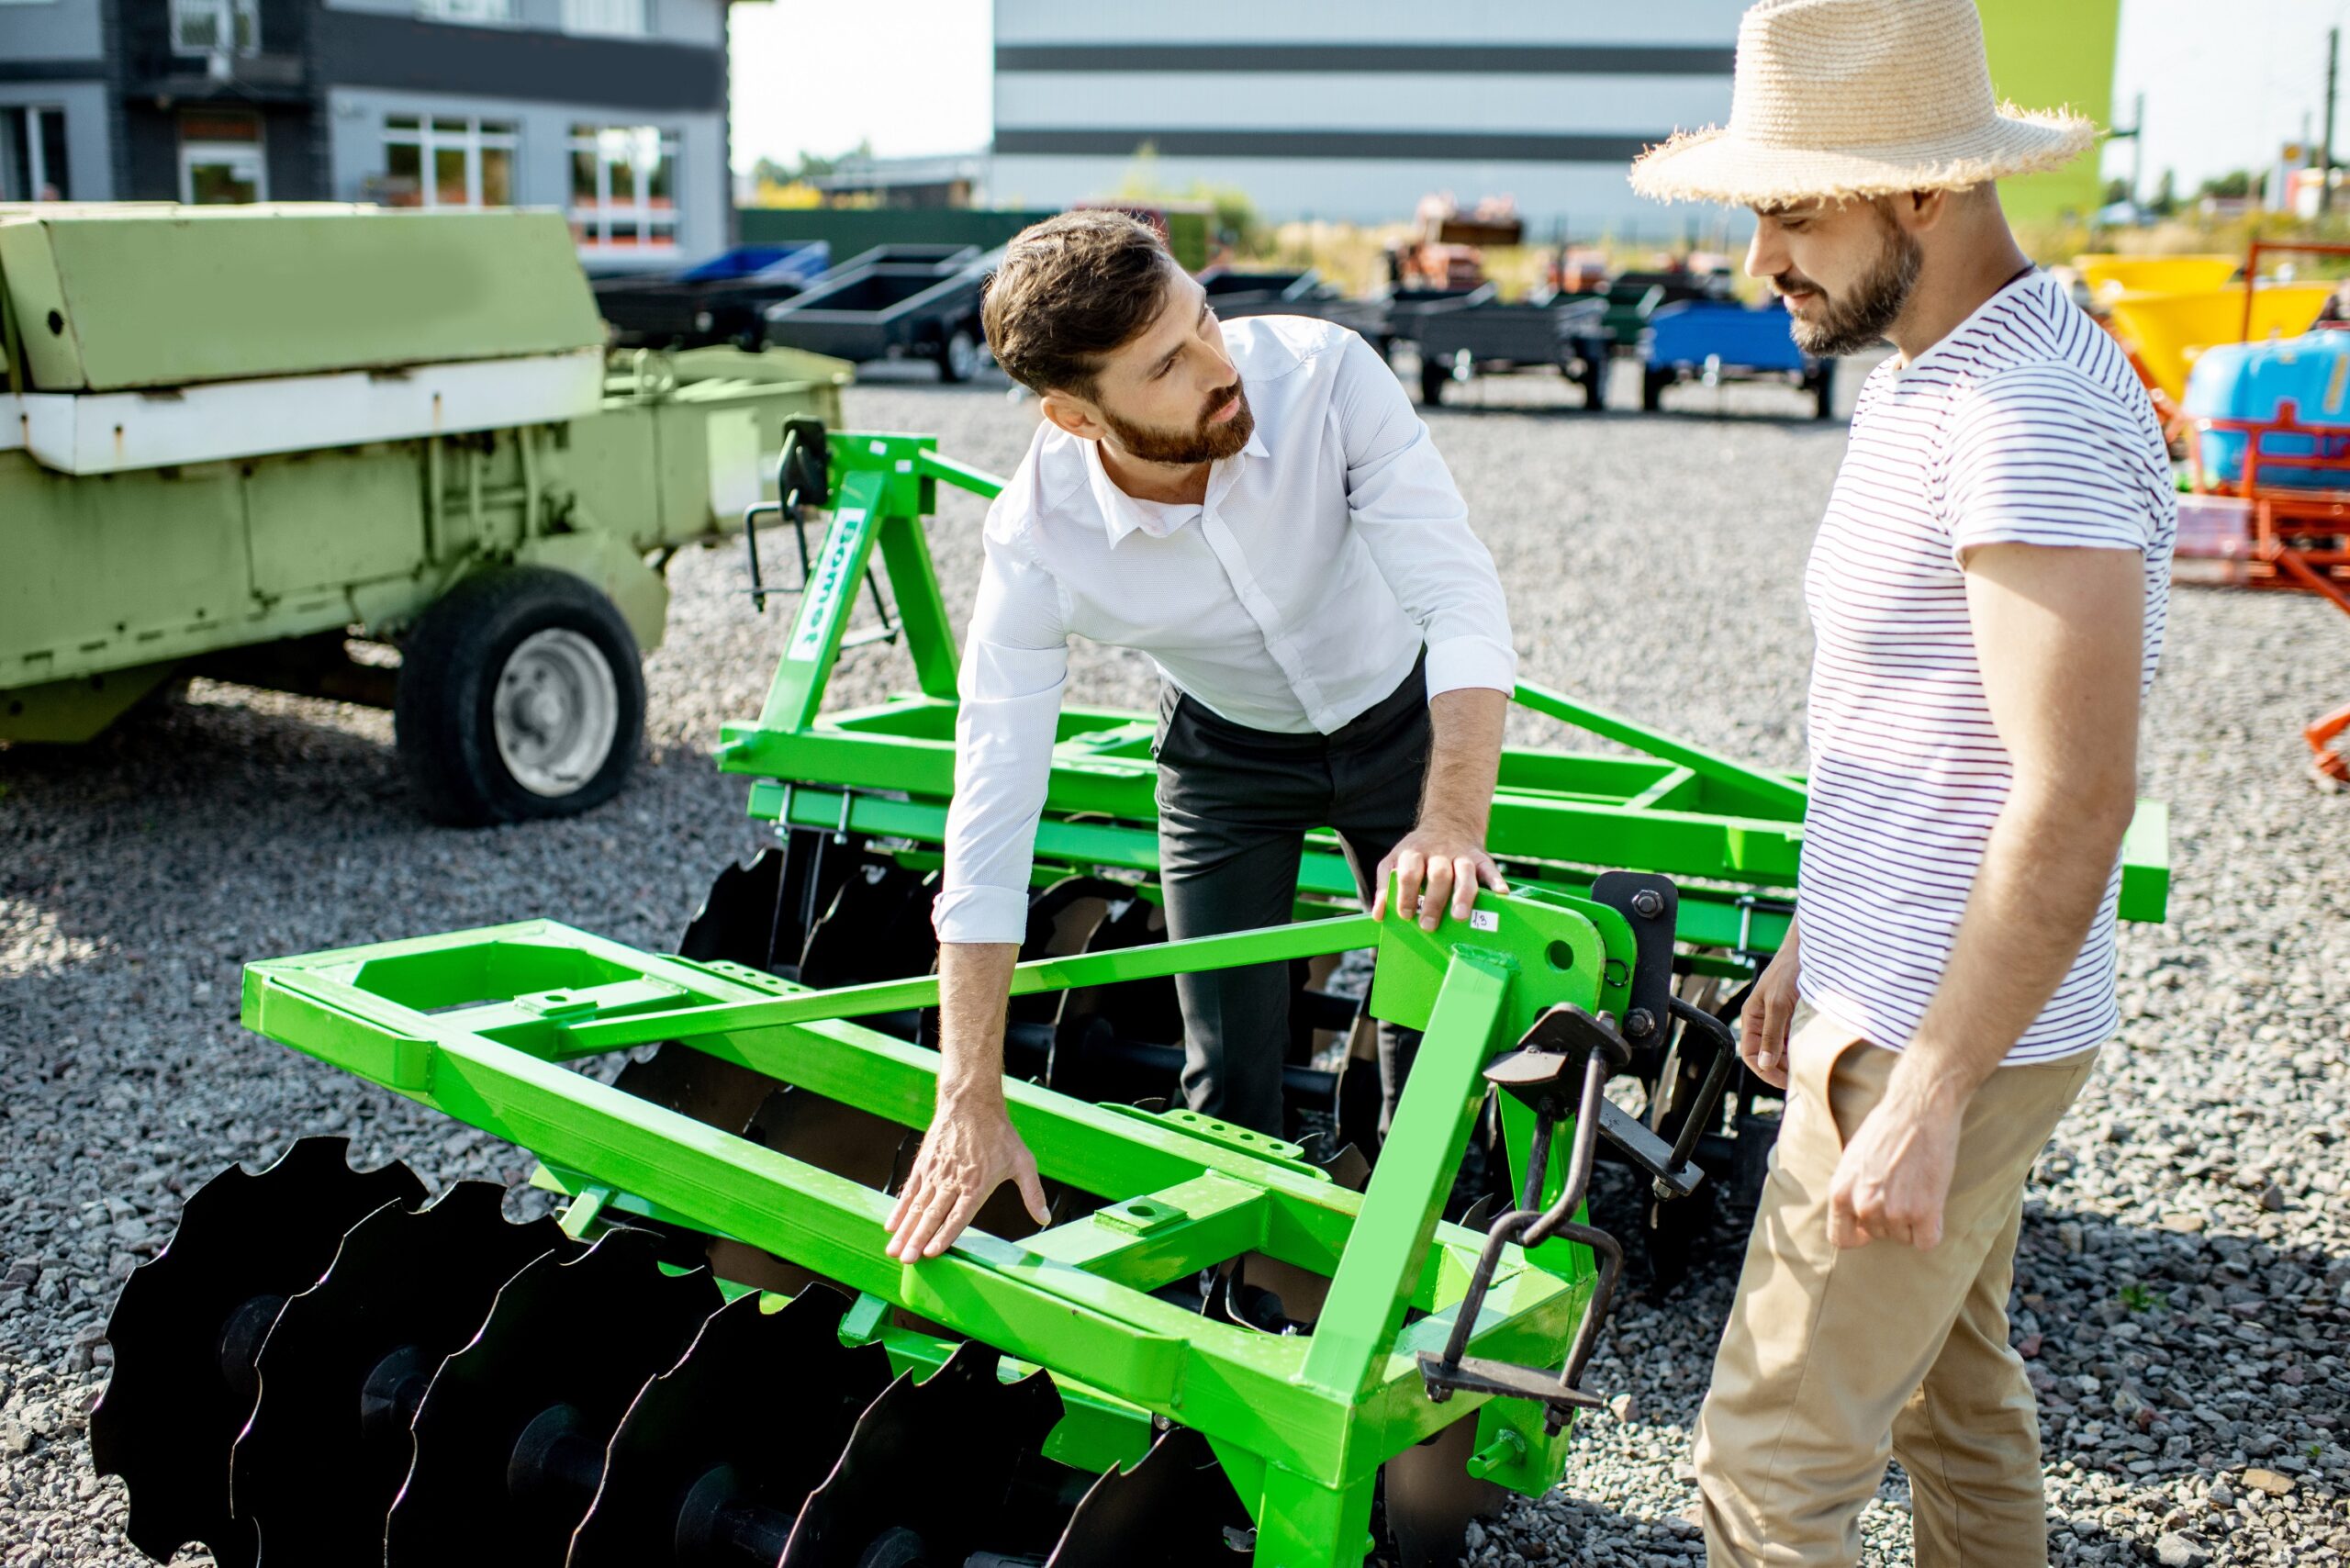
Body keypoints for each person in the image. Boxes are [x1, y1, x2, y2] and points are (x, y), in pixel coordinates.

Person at [1628, 2, 2177, 1563]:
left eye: (1794, 215)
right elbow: (1912, 722)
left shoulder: (2025, 415)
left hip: (1944, 1024)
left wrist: (1928, 1089)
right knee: (1951, 1393)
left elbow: (2074, 796)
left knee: (1768, 1463)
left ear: (1926, 188)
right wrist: (1818, 934)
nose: (1761, 264)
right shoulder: (1939, 373)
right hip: (1905, 987)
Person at [883, 211, 1517, 1261]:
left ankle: (1439, 1286)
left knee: (1432, 1050)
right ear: (1074, 415)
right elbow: (993, 802)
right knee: (1225, 1077)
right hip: (1224, 759)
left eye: (1205, 317)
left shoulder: (1324, 375)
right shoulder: (1037, 540)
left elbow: (1459, 597)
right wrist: (968, 1094)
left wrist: (1451, 818)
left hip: (1401, 729)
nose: (1220, 367)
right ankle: (1253, 1296)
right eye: (1166, 365)